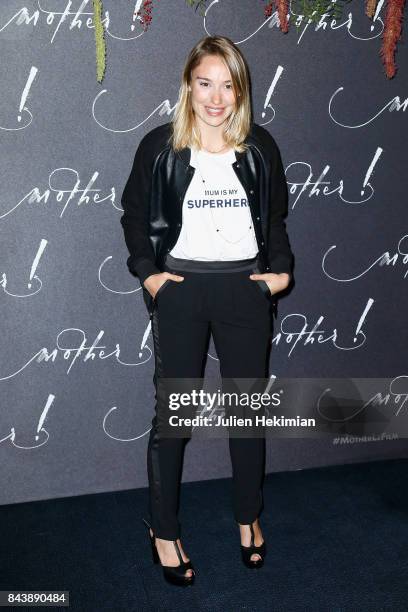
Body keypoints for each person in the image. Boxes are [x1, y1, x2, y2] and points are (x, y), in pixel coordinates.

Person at [120, 35, 293, 586]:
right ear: (188, 85)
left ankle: (248, 519)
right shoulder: (160, 147)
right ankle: (164, 530)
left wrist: (279, 275)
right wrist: (149, 276)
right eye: (204, 83)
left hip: (244, 289)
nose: (216, 97)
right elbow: (132, 216)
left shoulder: (260, 147)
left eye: (228, 84)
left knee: (247, 415)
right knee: (175, 418)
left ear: (240, 89)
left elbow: (275, 222)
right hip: (181, 290)